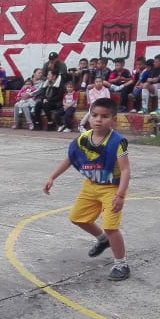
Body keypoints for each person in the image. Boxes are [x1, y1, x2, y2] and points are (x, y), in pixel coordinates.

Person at [43, 96, 131, 282]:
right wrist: (52, 176)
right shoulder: (82, 139)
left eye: (105, 116)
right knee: (77, 218)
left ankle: (121, 263)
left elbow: (125, 170)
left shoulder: (117, 142)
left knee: (111, 226)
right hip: (90, 186)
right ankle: (102, 239)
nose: (99, 120)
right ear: (88, 117)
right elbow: (69, 158)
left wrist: (121, 195)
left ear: (113, 120)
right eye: (95, 115)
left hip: (111, 188)